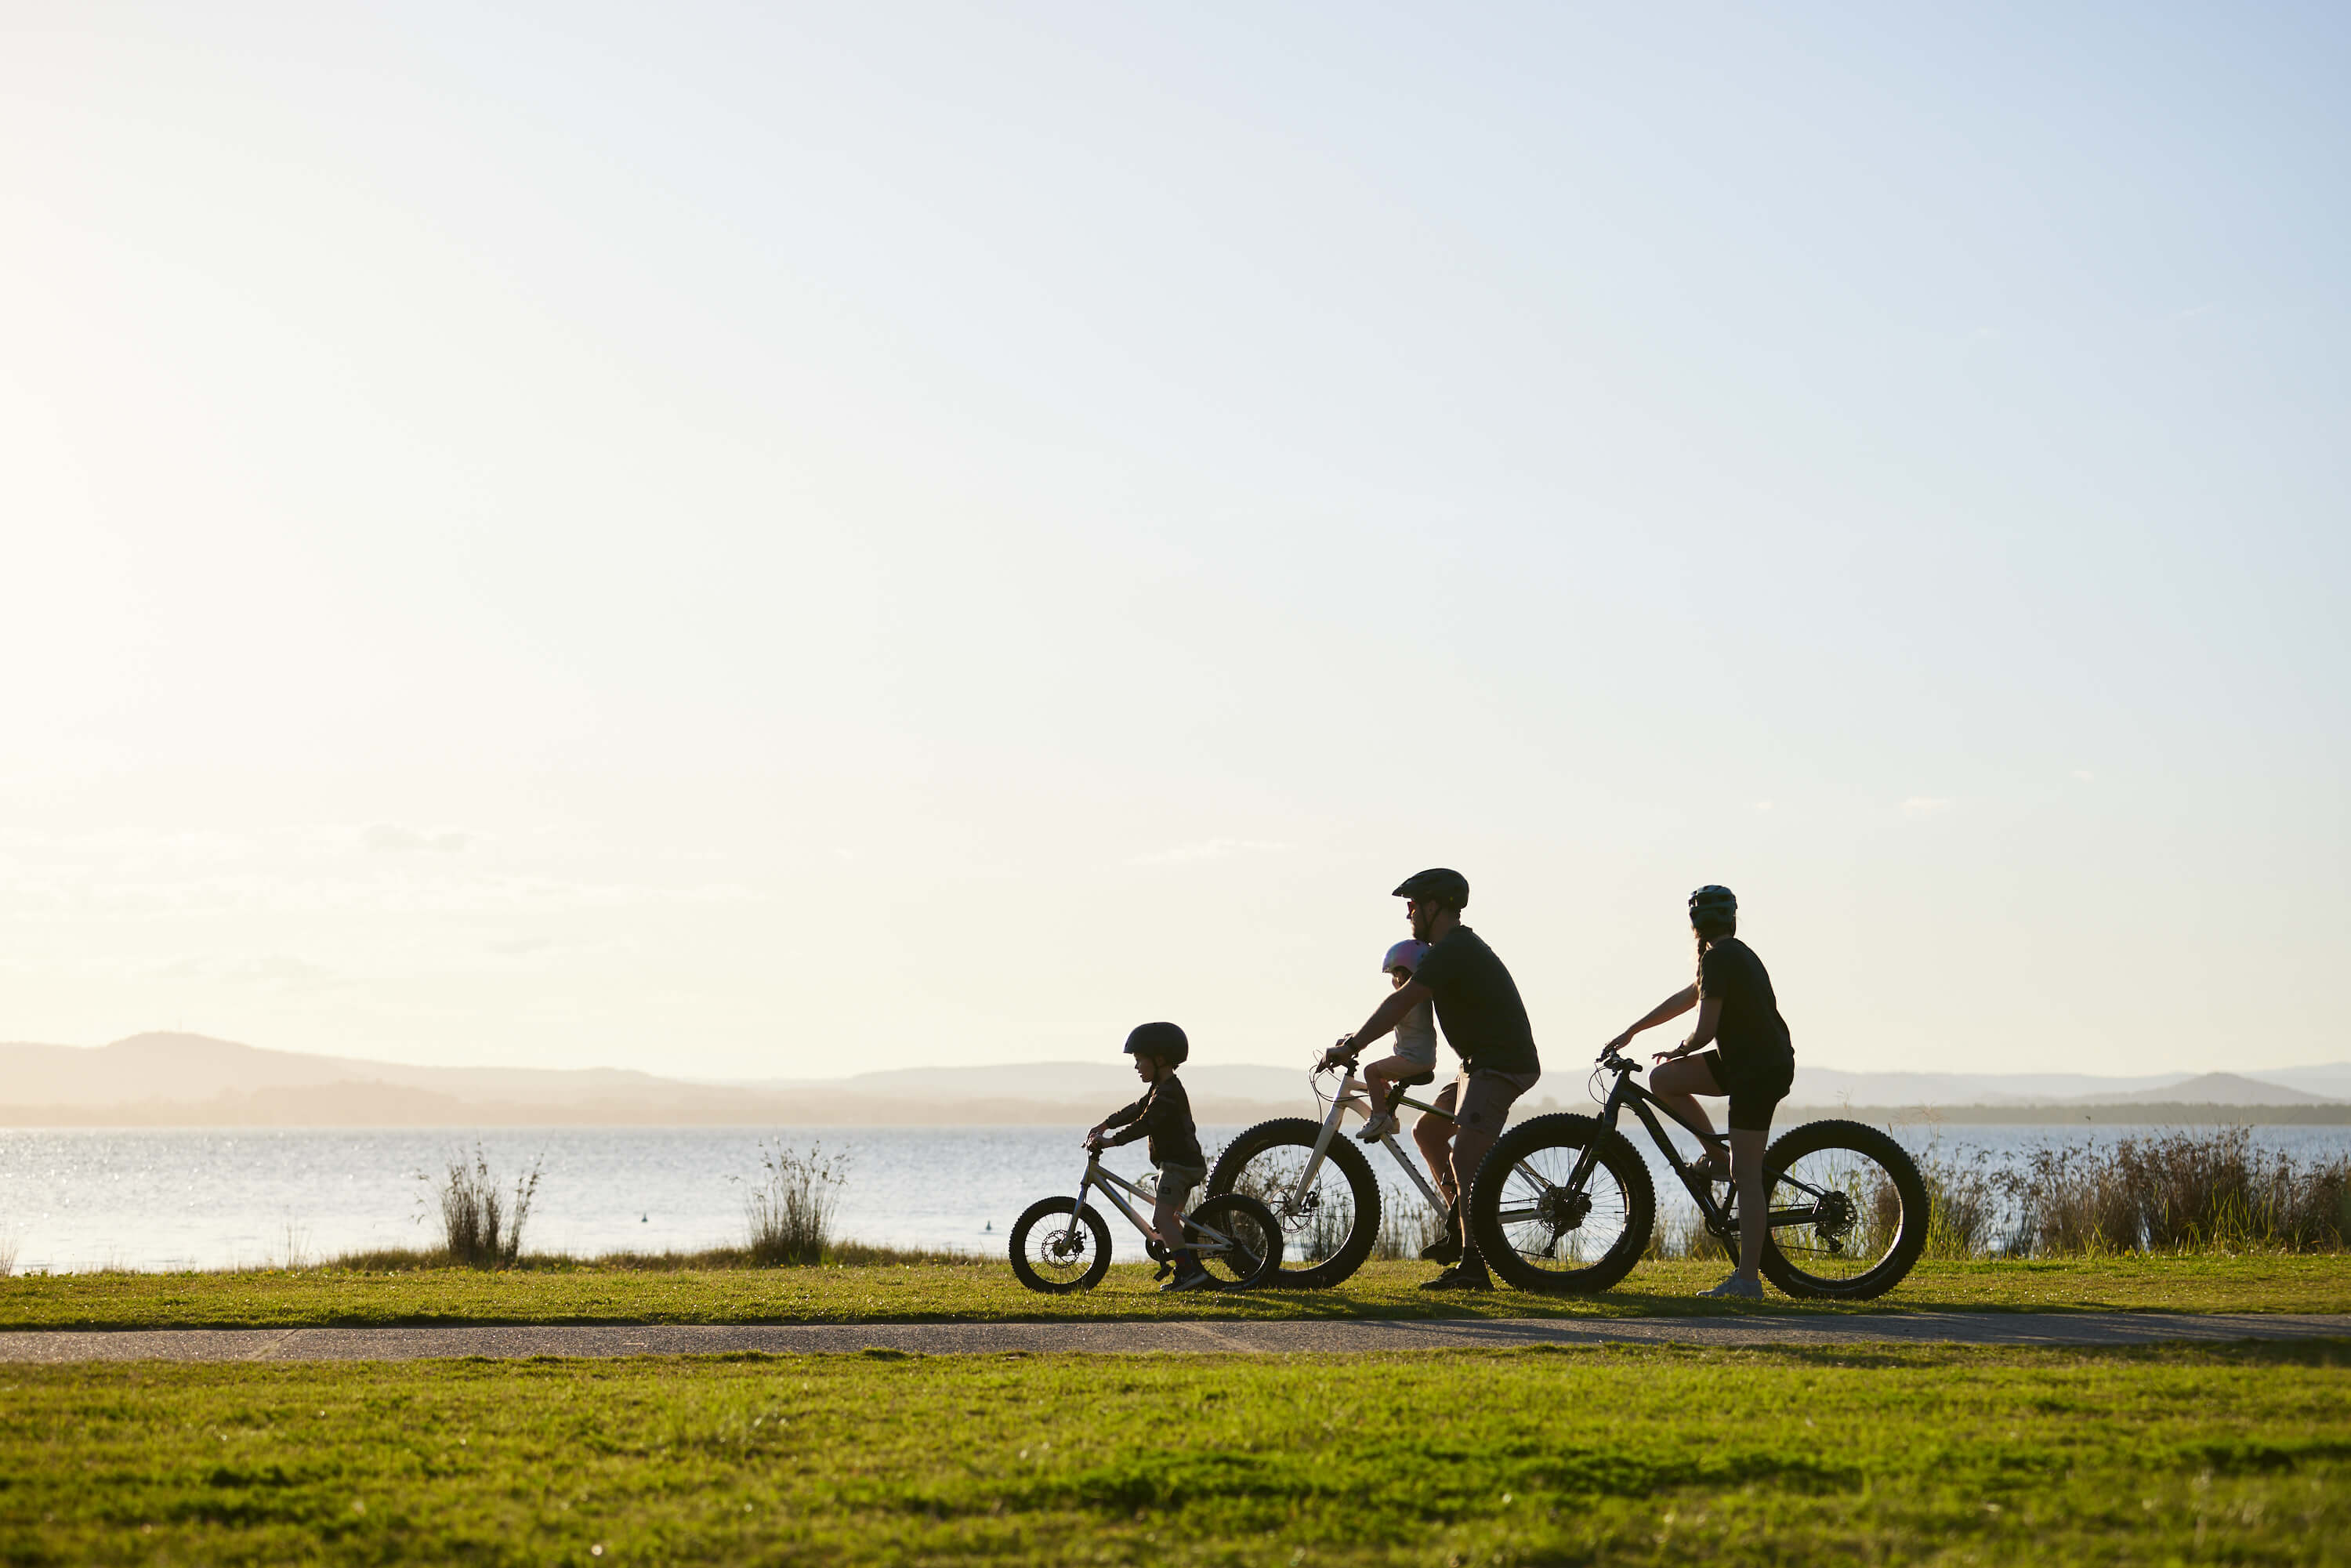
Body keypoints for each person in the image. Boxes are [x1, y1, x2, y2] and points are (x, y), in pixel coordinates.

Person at [1325, 868, 1541, 1291]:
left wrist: (1354, 1045)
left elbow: (1402, 1000)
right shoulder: (1448, 949)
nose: (1408, 912)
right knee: (1427, 1132)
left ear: (1433, 906)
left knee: (1465, 1158)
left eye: (1412, 904)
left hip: (1500, 1064)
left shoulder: (1452, 949)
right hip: (1475, 1065)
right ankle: (1463, 1228)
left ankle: (1474, 1267)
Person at [1603, 885, 1795, 1300]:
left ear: (1694, 924)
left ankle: (1747, 1282)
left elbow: (1705, 1029)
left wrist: (1681, 1048)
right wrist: (1633, 1031)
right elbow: (1688, 997)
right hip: (1745, 1063)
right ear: (1732, 919)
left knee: (1748, 1177)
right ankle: (1717, 1156)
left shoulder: (1720, 956)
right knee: (1664, 1081)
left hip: (1756, 1071)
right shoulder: (1728, 955)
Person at [1086, 1021, 1213, 1293]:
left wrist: (1110, 1141)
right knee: (1172, 1221)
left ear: (1159, 1059)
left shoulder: (1167, 1093)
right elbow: (1136, 1110)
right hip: (1181, 1164)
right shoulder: (1160, 1089)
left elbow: (1146, 1123)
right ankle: (1185, 1269)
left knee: (1162, 1220)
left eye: (1138, 1060)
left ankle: (1189, 1273)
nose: (1136, 1067)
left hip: (1178, 1167)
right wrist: (1105, 1125)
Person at [1354, 939, 1435, 1144]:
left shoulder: (1409, 1001)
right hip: (1420, 1058)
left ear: (1407, 973)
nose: (1395, 980)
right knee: (1381, 1081)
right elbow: (1392, 1024)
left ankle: (1380, 1118)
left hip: (1413, 1059)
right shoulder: (1420, 999)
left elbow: (1386, 1021)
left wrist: (1355, 1041)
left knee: (1371, 1072)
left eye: (1397, 974)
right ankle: (1390, 1117)